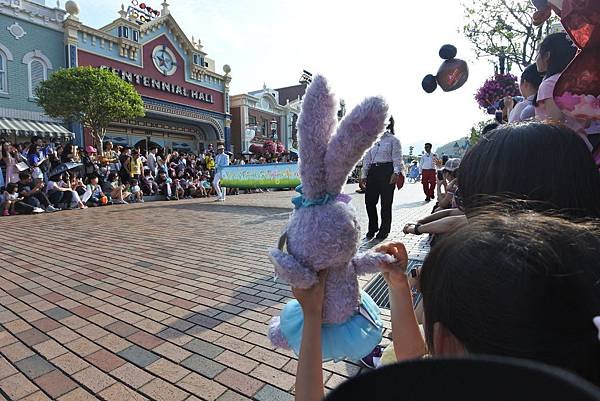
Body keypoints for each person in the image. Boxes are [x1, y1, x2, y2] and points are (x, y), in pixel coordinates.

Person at [360, 117, 404, 240]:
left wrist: (396, 173)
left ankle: (384, 230)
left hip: (387, 171)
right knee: (369, 202)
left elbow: (397, 158)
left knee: (386, 203)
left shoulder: (393, 140)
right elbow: (367, 158)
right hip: (373, 172)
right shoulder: (370, 139)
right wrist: (364, 175)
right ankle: (373, 227)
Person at [535, 32, 577, 124]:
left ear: (547, 56)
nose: (536, 59)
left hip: (560, 138)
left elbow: (555, 122)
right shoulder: (577, 80)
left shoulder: (550, 84)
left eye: (538, 53)